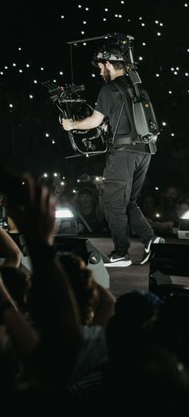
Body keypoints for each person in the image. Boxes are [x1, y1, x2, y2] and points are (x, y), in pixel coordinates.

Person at [61, 42, 163, 267]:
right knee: (128, 202)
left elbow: (93, 121)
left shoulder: (109, 89)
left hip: (123, 153)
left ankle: (121, 254)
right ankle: (152, 240)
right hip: (143, 151)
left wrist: (71, 124)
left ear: (109, 64)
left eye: (100, 67)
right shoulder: (137, 87)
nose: (99, 72)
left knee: (113, 204)